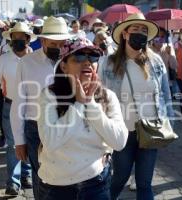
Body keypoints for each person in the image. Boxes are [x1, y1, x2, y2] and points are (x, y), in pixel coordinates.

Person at [37, 37, 128, 199]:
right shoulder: (49, 95)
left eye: (93, 57)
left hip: (96, 185)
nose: (87, 62)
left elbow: (119, 141)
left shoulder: (108, 97)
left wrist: (90, 104)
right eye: (79, 57)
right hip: (56, 187)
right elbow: (50, 142)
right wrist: (79, 104)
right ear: (64, 66)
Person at [99, 13, 174, 200]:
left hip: (150, 131)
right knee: (119, 179)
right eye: (135, 30)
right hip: (122, 132)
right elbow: (101, 99)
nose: (140, 34)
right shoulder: (108, 63)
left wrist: (169, 122)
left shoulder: (155, 61)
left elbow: (165, 94)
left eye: (144, 30)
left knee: (144, 183)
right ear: (124, 34)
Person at [10, 16, 70, 199]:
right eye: (54, 43)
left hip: (67, 126)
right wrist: (19, 140)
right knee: (41, 177)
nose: (58, 48)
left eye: (62, 43)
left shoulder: (72, 60)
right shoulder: (26, 64)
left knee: (65, 177)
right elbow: (18, 103)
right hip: (35, 129)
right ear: (43, 40)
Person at [0, 22, 36, 195]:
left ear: (28, 39)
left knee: (30, 142)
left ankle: (27, 175)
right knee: (13, 143)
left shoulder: (37, 59)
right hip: (9, 106)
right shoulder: (4, 60)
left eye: (21, 38)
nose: (17, 41)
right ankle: (13, 182)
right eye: (14, 38)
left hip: (32, 107)